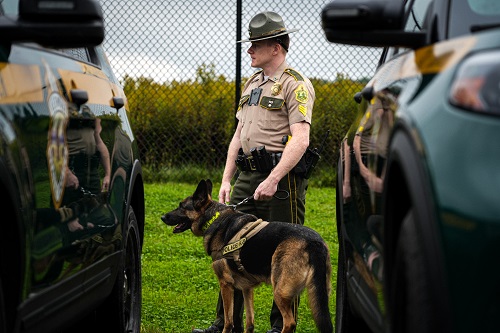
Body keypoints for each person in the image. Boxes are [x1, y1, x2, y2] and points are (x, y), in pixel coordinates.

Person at [192, 11, 315, 333]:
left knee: (285, 249)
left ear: (276, 47)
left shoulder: (295, 85)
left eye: (255, 45)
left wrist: (274, 179)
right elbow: (238, 133)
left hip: (281, 178)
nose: (249, 51)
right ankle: (225, 324)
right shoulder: (252, 82)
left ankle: (280, 327)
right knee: (226, 247)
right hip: (247, 175)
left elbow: (301, 138)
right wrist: (227, 178)